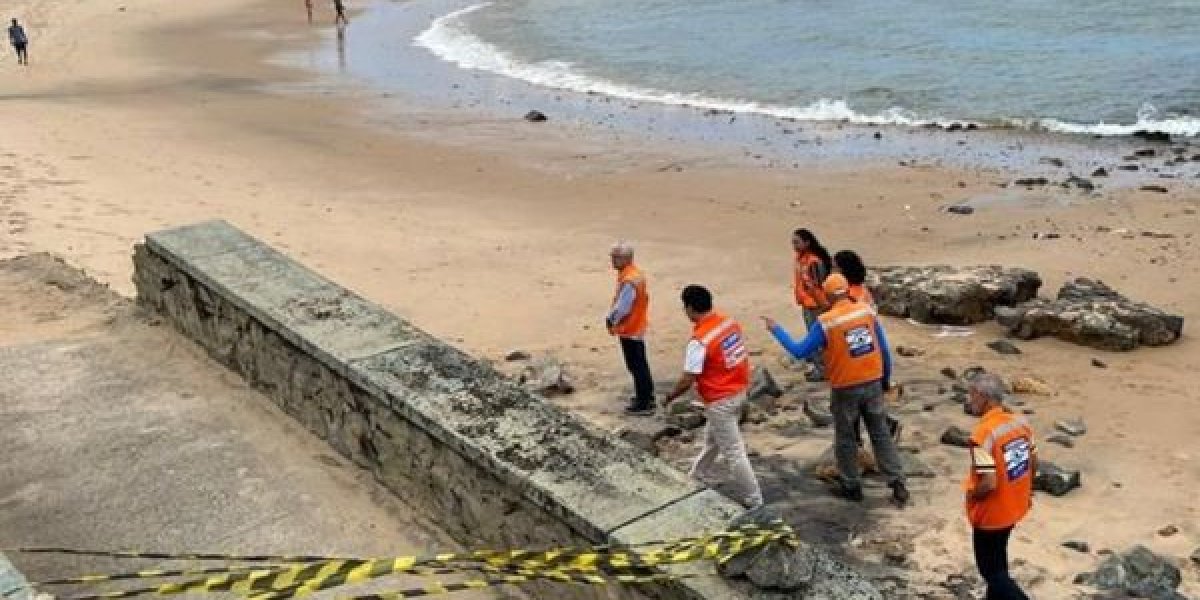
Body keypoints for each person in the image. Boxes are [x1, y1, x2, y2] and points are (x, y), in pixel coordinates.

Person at [762, 274, 909, 505]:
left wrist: (776, 330)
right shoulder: (866, 311)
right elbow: (884, 349)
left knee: (846, 438)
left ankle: (851, 486)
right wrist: (886, 379)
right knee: (880, 434)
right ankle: (897, 483)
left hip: (845, 387)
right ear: (847, 291)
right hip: (872, 381)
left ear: (828, 295)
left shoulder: (826, 322)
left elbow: (800, 351)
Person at [663, 285, 762, 509]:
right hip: (739, 391)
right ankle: (697, 474)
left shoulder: (699, 341)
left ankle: (755, 499)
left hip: (720, 399)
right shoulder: (729, 324)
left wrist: (670, 396)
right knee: (713, 438)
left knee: (734, 453)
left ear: (689, 308)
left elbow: (688, 378)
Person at [964, 373, 1035, 600]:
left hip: (991, 514)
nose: (969, 400)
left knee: (991, 572)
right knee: (999, 561)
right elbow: (1033, 463)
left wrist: (971, 495)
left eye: (972, 395)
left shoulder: (983, 434)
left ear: (984, 398)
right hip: (1015, 505)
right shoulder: (1020, 423)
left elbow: (989, 482)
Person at [833, 249, 901, 444]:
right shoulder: (863, 291)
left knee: (854, 410)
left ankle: (856, 447)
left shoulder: (851, 298)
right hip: (871, 354)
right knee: (868, 406)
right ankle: (883, 430)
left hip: (859, 357)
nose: (831, 271)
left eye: (835, 267)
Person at [605, 242, 655, 416]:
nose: (612, 260)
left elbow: (623, 307)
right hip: (637, 325)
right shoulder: (635, 275)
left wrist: (611, 319)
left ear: (626, 258)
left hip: (631, 328)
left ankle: (644, 402)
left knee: (636, 365)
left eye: (615, 257)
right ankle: (646, 396)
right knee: (640, 363)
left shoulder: (629, 279)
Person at [792, 228, 832, 381]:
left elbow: (819, 286)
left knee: (816, 338)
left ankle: (822, 369)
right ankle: (819, 366)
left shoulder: (814, 262)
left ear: (807, 243)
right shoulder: (801, 258)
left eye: (797, 242)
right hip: (807, 303)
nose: (794, 246)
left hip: (816, 306)